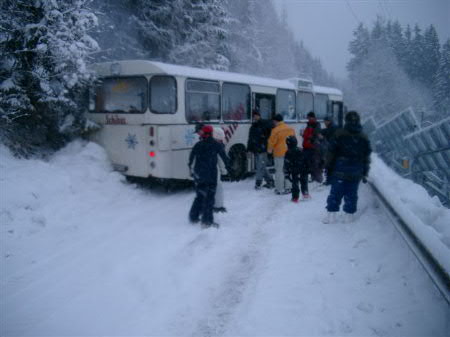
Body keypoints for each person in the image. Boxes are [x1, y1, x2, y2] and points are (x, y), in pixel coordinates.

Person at [323, 111, 372, 223]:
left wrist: (328, 166)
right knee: (352, 193)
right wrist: (365, 172)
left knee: (335, 192)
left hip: (340, 169)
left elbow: (331, 152)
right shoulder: (364, 137)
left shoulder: (339, 134)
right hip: (356, 171)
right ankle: (348, 216)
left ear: (346, 120)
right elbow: (366, 157)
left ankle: (331, 215)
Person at [188, 125, 230, 228]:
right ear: (211, 133)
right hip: (211, 175)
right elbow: (224, 159)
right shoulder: (217, 145)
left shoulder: (198, 145)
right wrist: (228, 170)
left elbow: (191, 161)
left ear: (203, 133)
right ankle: (207, 221)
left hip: (199, 175)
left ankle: (193, 216)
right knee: (209, 198)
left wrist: (193, 173)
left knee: (200, 196)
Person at [267, 113, 295, 195]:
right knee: (287, 170)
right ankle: (288, 187)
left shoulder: (275, 130)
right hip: (289, 153)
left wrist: (269, 151)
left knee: (279, 171)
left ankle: (279, 189)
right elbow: (294, 140)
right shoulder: (290, 128)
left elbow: (271, 142)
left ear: (275, 121)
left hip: (279, 153)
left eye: (273, 121)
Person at [247, 111, 274, 190]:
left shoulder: (266, 124)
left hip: (263, 149)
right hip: (256, 149)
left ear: (259, 116)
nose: (255, 117)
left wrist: (265, 140)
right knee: (261, 166)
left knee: (260, 166)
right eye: (254, 116)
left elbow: (271, 135)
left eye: (256, 116)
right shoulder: (253, 126)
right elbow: (250, 139)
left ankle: (258, 183)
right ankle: (270, 180)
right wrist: (249, 149)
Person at [284, 136, 309, 202]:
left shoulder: (288, 152)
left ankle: (295, 197)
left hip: (294, 170)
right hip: (303, 169)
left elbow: (286, 163)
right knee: (304, 181)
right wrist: (307, 168)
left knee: (295, 184)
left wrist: (287, 173)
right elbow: (306, 160)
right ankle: (305, 193)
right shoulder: (300, 150)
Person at [302, 111, 324, 184]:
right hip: (308, 147)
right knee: (310, 163)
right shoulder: (310, 125)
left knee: (315, 163)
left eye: (309, 117)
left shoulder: (315, 125)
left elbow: (315, 136)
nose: (308, 119)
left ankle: (317, 179)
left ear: (312, 117)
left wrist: (309, 138)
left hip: (312, 147)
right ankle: (314, 178)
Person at [213, 127, 227, 213]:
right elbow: (220, 160)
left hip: (203, 170)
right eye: (220, 139)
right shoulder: (218, 146)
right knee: (218, 187)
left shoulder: (203, 142)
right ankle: (218, 206)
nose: (221, 141)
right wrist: (223, 171)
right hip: (213, 169)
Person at [321, 116, 338, 185]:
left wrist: (323, 136)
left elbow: (328, 133)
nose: (324, 123)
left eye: (325, 121)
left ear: (329, 121)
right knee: (331, 165)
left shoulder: (332, 128)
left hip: (332, 150)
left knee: (329, 165)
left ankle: (330, 180)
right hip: (333, 149)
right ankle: (331, 179)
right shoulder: (332, 127)